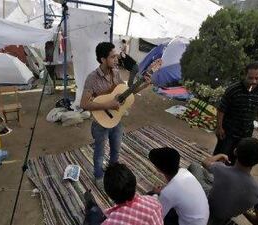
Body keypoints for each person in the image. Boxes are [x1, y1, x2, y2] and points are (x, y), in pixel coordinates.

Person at [80, 42, 151, 188]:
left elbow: (124, 93)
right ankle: (99, 177)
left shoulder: (116, 72)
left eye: (116, 56)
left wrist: (143, 84)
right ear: (102, 59)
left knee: (116, 151)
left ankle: (112, 175)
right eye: (112, 57)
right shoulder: (92, 78)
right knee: (99, 153)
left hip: (116, 120)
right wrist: (107, 105)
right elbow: (84, 104)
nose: (116, 59)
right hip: (100, 123)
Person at [189, 138, 258, 225]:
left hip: (205, 204)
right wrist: (243, 210)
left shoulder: (218, 168)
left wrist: (220, 155)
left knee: (195, 166)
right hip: (221, 219)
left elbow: (205, 162)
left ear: (235, 151)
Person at [215, 61, 258, 163]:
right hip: (228, 132)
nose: (254, 81)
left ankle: (232, 176)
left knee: (240, 158)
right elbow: (221, 109)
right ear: (245, 75)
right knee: (221, 157)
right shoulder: (233, 90)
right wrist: (219, 127)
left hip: (246, 132)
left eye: (257, 78)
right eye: (250, 78)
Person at [83, 163, 163, 225]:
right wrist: (154, 193)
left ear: (109, 194)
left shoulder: (111, 222)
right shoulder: (155, 203)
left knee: (93, 211)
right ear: (135, 184)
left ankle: (89, 201)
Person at [148, 147, 209, 225]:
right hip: (202, 219)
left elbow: (157, 217)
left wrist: (156, 194)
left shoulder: (168, 193)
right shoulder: (185, 172)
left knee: (150, 195)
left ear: (158, 169)